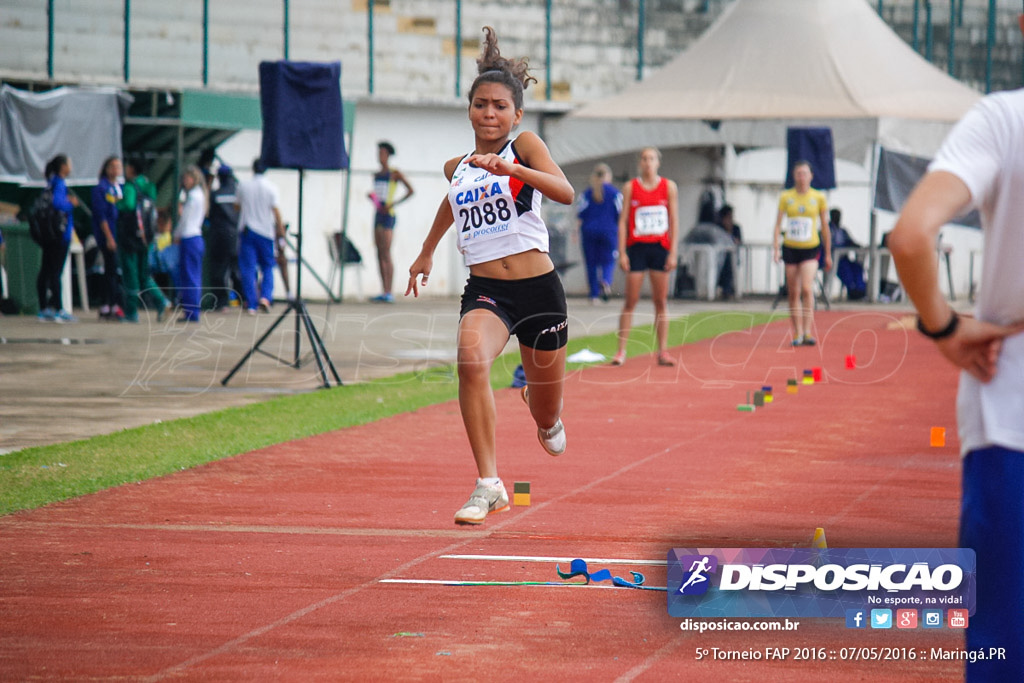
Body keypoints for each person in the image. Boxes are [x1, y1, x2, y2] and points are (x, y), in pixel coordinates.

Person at [889, 46, 1024, 681]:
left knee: (1000, 644)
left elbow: (912, 235)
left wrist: (943, 327)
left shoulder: (1004, 118)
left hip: (1009, 414)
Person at [406, 26, 574, 525]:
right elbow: (451, 203)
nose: (489, 113)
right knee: (469, 360)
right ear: (470, 109)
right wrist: (426, 251)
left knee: (549, 424)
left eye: (500, 105)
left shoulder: (525, 146)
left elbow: (564, 192)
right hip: (487, 291)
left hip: (539, 289)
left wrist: (513, 171)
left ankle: (542, 410)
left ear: (515, 113)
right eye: (481, 104)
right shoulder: (456, 167)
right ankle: (488, 484)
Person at [611, 147, 679, 367]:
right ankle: (621, 351)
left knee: (661, 301)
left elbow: (674, 221)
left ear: (658, 162)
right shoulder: (631, 187)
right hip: (637, 248)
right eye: (644, 159)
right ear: (640, 163)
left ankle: (663, 351)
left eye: (651, 159)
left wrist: (673, 252)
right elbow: (622, 221)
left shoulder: (669, 187)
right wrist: (622, 252)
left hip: (659, 248)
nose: (648, 163)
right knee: (630, 300)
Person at [772, 160, 831, 346]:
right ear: (794, 176)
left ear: (811, 176)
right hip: (790, 247)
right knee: (793, 291)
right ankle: (796, 332)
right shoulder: (786, 197)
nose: (802, 177)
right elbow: (777, 224)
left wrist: (828, 253)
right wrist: (775, 247)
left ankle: (807, 331)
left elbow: (825, 227)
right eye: (798, 173)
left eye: (805, 173)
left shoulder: (818, 197)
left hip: (810, 247)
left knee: (806, 288)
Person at [117, 158, 170, 322]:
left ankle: (131, 313)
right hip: (146, 239)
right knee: (144, 275)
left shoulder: (130, 187)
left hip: (131, 239)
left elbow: (129, 205)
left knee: (130, 275)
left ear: (132, 169)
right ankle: (161, 300)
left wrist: (115, 203)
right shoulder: (149, 187)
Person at [236, 158, 285, 314]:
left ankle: (251, 303)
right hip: (265, 232)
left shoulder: (243, 186)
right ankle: (265, 297)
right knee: (268, 266)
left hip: (248, 230)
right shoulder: (271, 188)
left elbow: (236, 206)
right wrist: (281, 229)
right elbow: (275, 210)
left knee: (248, 268)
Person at [36, 154, 79, 323]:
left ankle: (44, 307)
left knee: (46, 270)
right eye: (69, 163)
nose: (71, 167)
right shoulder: (59, 184)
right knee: (55, 272)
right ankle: (59, 308)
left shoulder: (50, 183)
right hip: (59, 235)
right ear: (63, 167)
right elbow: (58, 205)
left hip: (48, 234)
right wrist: (71, 204)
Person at [369, 141, 414, 303]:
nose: (379, 157)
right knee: (379, 252)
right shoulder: (376, 174)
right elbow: (378, 196)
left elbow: (410, 190)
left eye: (382, 153)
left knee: (386, 251)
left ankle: (389, 291)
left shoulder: (395, 173)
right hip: (378, 214)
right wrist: (372, 199)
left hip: (389, 215)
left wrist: (394, 203)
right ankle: (383, 290)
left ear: (388, 155)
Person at [577, 163, 621, 304]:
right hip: (609, 231)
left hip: (589, 231)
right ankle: (606, 281)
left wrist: (574, 232)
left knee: (591, 263)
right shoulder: (615, 194)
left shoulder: (586, 194)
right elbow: (621, 215)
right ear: (608, 176)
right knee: (608, 260)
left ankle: (593, 294)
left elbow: (580, 215)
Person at [91, 156, 125, 321]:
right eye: (112, 166)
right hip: (108, 235)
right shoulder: (101, 188)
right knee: (110, 271)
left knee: (113, 271)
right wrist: (109, 237)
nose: (116, 170)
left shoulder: (118, 187)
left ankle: (113, 304)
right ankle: (108, 305)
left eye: (118, 166)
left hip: (118, 235)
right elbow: (101, 216)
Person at [174, 165, 207, 323]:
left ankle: (191, 311)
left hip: (189, 237)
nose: (184, 181)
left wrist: (176, 234)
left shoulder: (193, 197)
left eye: (187, 178)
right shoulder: (199, 195)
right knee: (192, 275)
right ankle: (191, 310)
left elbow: (185, 219)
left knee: (189, 276)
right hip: (195, 238)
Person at [207, 163, 241, 311]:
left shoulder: (216, 194)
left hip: (219, 237)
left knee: (219, 270)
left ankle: (222, 302)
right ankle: (245, 299)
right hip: (235, 237)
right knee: (237, 269)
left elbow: (210, 215)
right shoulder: (238, 193)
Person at [716, 204, 742, 299]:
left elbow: (738, 241)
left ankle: (728, 290)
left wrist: (730, 231)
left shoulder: (736, 228)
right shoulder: (718, 228)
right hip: (719, 258)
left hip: (733, 257)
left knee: (730, 266)